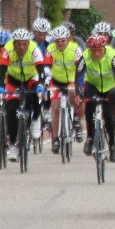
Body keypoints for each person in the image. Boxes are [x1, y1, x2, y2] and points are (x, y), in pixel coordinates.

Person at [3, 28, 48, 161]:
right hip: (13, 80)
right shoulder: (7, 49)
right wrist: (0, 87)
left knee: (36, 96)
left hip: (31, 78)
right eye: (19, 44)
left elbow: (41, 71)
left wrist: (41, 85)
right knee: (11, 110)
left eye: (24, 44)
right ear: (14, 43)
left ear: (28, 43)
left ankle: (35, 120)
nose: (22, 47)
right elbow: (1, 71)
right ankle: (12, 145)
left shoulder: (34, 49)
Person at [79, 34, 115, 158]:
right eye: (93, 51)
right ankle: (90, 138)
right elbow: (79, 77)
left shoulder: (112, 56)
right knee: (89, 107)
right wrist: (80, 92)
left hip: (109, 87)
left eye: (99, 50)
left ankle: (112, 145)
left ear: (104, 48)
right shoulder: (85, 57)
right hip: (92, 85)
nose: (96, 53)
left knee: (109, 115)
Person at [46, 25, 83, 153]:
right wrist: (46, 81)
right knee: (55, 108)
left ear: (67, 39)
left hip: (72, 79)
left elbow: (81, 68)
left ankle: (76, 117)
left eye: (63, 40)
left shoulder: (75, 49)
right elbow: (46, 67)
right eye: (58, 41)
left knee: (72, 91)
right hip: (56, 80)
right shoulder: (50, 50)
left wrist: (79, 83)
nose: (60, 43)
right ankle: (56, 138)